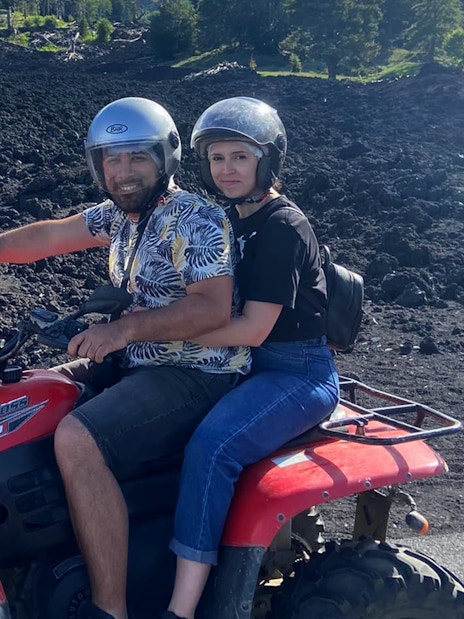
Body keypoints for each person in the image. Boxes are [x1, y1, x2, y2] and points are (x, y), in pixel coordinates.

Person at [0, 97, 250, 619]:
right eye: (111, 160)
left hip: (195, 369)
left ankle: (108, 608)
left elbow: (210, 306)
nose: (124, 171)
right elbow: (48, 235)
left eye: (137, 157)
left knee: (77, 437)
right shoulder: (119, 215)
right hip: (138, 356)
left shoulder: (197, 219)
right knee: (28, 397)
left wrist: (121, 330)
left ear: (164, 159)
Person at [164, 97, 340, 619]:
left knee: (212, 448)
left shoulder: (281, 226)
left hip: (294, 370)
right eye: (217, 158)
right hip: (247, 363)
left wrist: (164, 336)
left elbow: (253, 328)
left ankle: (183, 608)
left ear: (267, 162)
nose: (227, 169)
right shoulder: (232, 219)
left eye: (240, 157)